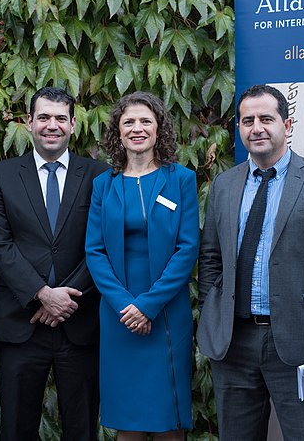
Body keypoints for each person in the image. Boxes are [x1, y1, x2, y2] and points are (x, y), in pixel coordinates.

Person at [196, 84, 304, 440]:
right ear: (239, 129)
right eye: (247, 120)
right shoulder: (225, 185)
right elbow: (211, 258)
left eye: (265, 119)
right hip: (233, 344)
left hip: (302, 342)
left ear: (287, 125)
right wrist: (213, 313)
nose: (256, 127)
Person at [0, 87, 106, 441]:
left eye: (60, 118)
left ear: (73, 124)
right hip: (21, 324)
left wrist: (64, 299)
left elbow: (102, 244)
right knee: (17, 429)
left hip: (79, 323)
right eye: (44, 117)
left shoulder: (98, 175)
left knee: (81, 429)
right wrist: (40, 293)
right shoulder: (2, 175)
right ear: (29, 122)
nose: (52, 125)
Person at [85, 91, 199, 440]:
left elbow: (187, 248)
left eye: (145, 121)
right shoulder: (103, 185)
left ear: (158, 128)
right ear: (117, 132)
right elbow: (95, 251)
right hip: (119, 318)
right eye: (129, 122)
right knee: (127, 422)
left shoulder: (181, 180)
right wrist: (126, 307)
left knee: (169, 422)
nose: (137, 128)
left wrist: (147, 307)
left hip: (165, 314)